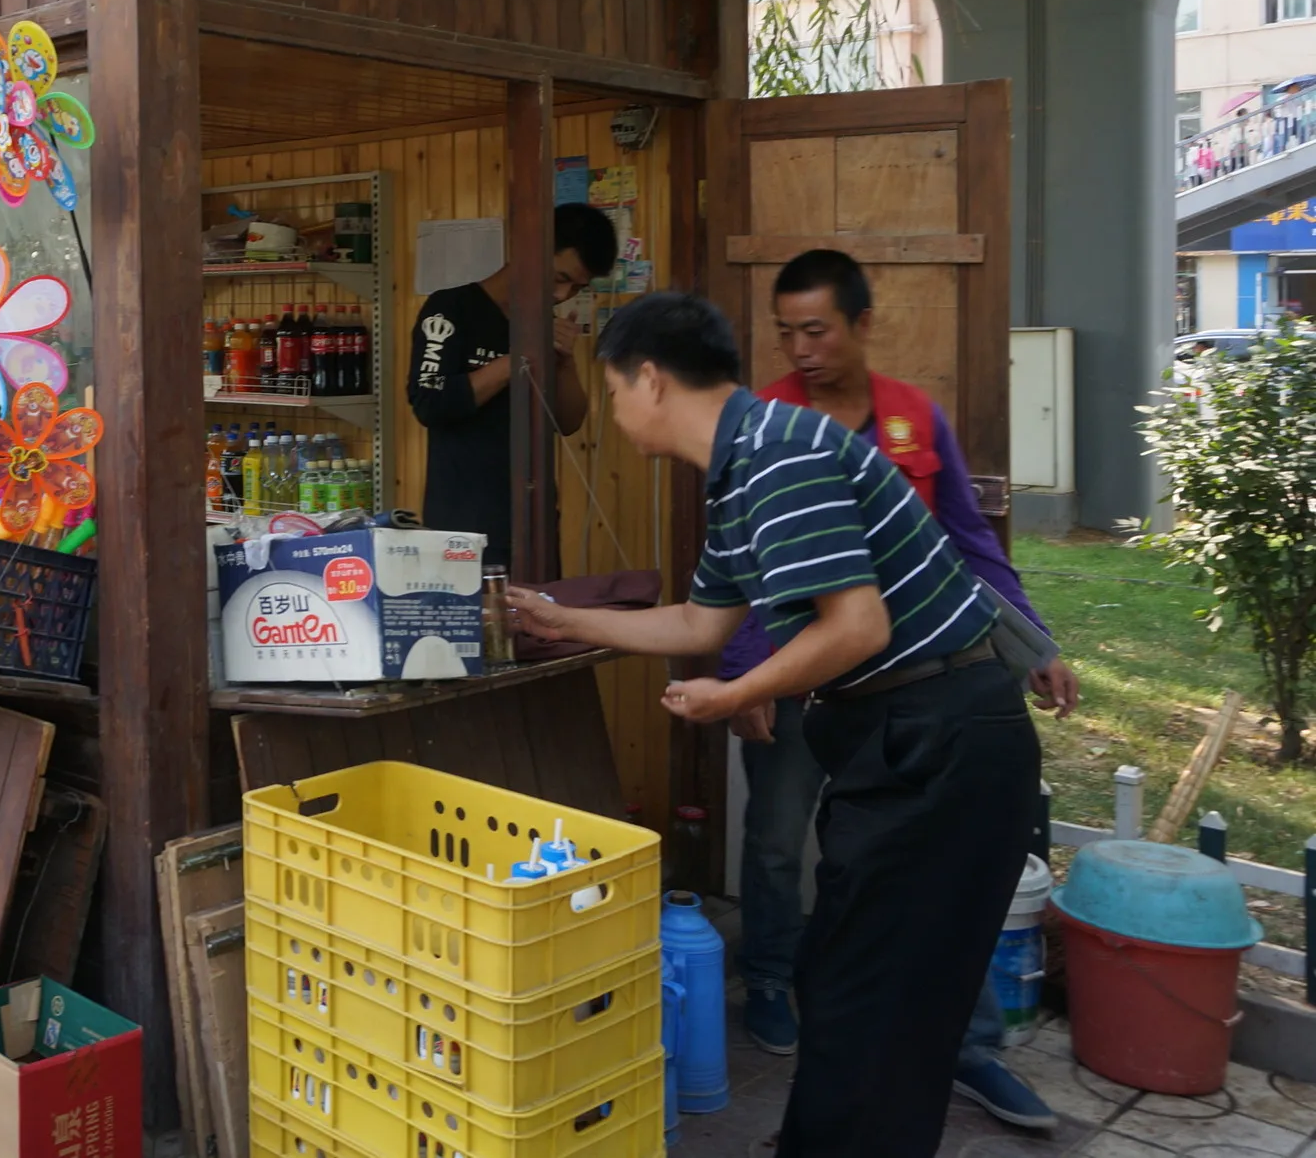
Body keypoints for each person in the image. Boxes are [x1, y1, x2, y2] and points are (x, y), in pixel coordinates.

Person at [508, 293, 1040, 1158]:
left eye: (611, 387)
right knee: (840, 978)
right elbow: (699, 624)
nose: (610, 408)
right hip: (901, 738)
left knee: (881, 1004)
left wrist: (730, 695)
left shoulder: (777, 454)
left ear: (650, 378)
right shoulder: (743, 470)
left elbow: (856, 626)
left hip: (944, 736)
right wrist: (563, 619)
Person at [736, 249, 1075, 1130]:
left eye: (817, 329)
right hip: (809, 679)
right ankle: (769, 982)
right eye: (787, 332)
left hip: (914, 697)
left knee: (943, 877)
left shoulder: (912, 418)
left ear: (859, 324)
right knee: (778, 836)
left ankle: (968, 1048)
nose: (802, 348)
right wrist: (748, 680)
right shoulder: (766, 421)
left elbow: (970, 539)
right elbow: (744, 567)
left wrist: (1034, 644)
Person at [404, 203, 619, 563]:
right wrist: (517, 358)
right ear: (529, 251)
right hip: (463, 524)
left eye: (577, 287)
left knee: (540, 617)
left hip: (534, 521)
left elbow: (568, 423)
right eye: (559, 278)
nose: (563, 295)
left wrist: (564, 364)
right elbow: (429, 402)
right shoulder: (450, 309)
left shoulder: (543, 322)